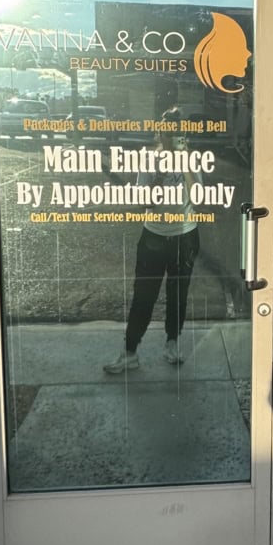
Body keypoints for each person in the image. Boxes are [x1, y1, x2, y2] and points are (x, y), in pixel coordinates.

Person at [104, 109, 201, 373]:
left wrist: (185, 162)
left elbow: (199, 197)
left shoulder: (191, 159)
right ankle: (129, 352)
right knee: (144, 296)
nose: (172, 137)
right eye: (168, 131)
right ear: (160, 132)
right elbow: (143, 202)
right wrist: (160, 173)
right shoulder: (150, 160)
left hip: (185, 236)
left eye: (177, 132)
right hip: (154, 238)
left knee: (177, 296)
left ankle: (172, 343)